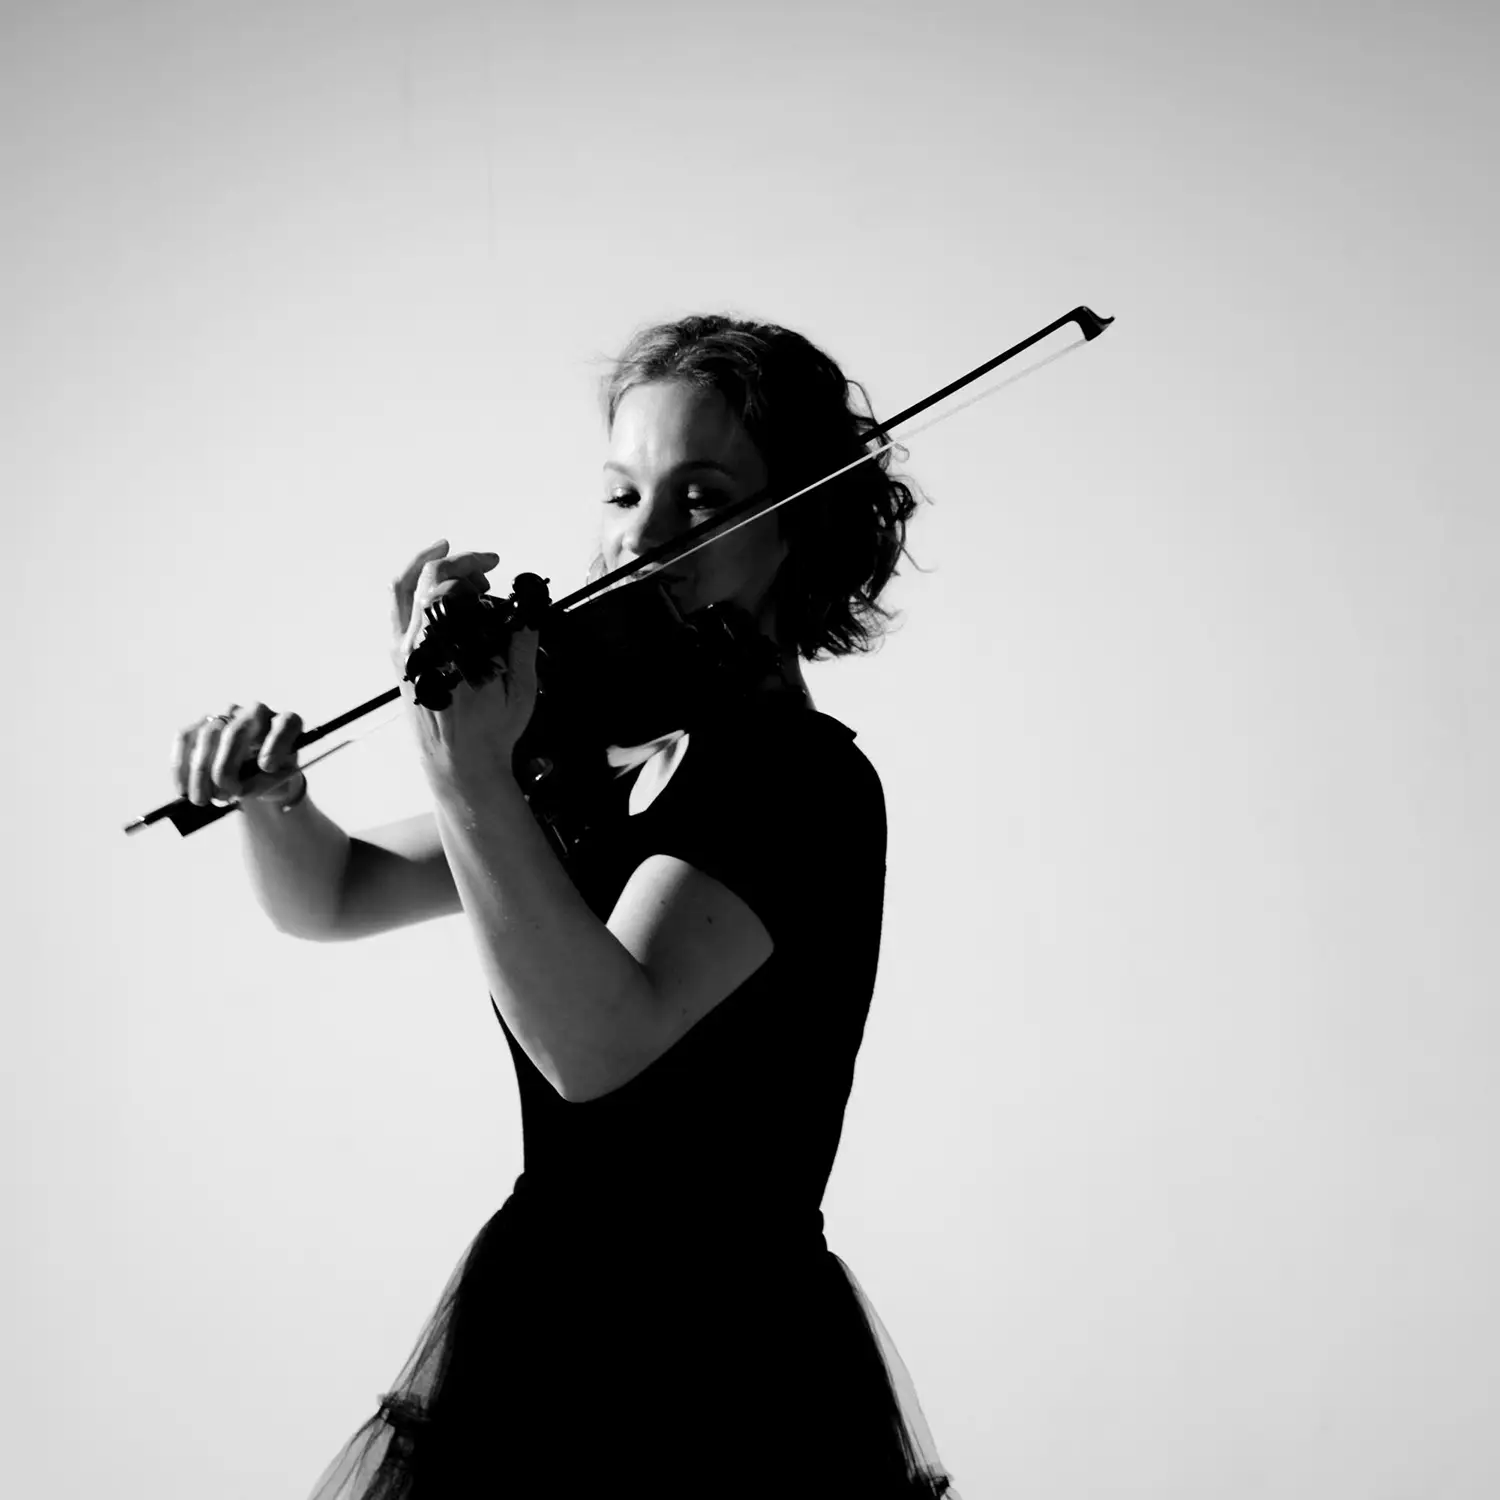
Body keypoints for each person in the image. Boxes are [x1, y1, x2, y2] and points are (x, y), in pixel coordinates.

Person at [174, 315, 959, 1498]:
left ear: (797, 519)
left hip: (731, 1371)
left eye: (700, 499)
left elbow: (596, 1046)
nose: (639, 542)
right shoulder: (598, 757)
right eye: (620, 493)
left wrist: (468, 771)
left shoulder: (800, 780)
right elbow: (334, 895)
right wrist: (274, 804)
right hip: (538, 1324)